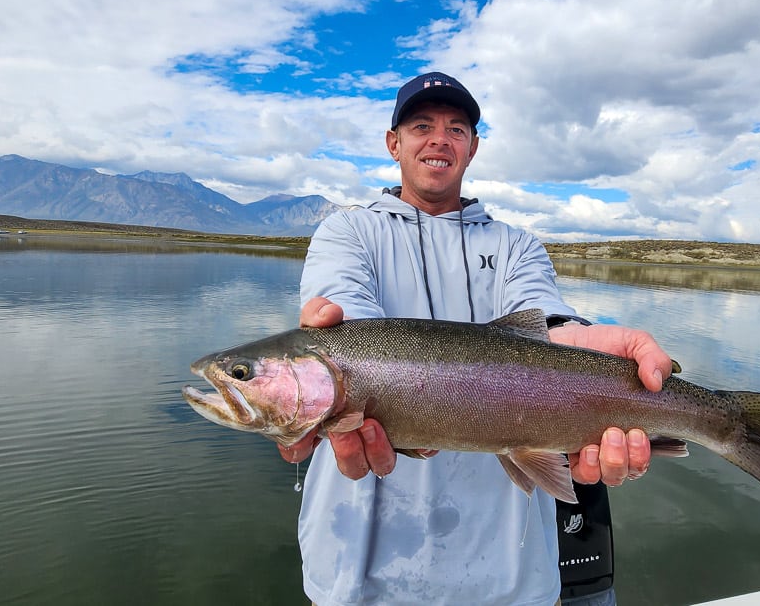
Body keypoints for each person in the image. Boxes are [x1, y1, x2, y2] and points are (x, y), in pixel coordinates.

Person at [280, 71, 674, 605]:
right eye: (422, 125)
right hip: (359, 571)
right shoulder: (347, 233)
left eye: (456, 128)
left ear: (472, 148)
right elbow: (347, 326)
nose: (439, 138)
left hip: (509, 573)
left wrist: (573, 341)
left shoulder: (517, 246)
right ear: (394, 143)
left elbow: (547, 321)